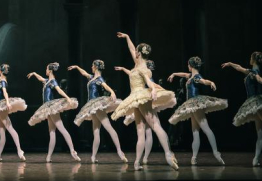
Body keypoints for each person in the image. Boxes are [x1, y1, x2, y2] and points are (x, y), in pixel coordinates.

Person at [111, 32, 178, 170]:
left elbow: (149, 81)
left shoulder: (143, 67)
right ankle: (137, 162)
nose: (134, 52)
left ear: (139, 54)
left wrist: (153, 89)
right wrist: (127, 37)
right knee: (140, 131)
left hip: (140, 96)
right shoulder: (137, 64)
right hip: (135, 98)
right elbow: (131, 48)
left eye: (136, 51)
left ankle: (168, 155)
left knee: (155, 125)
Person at [168, 57, 227, 165]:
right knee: (195, 132)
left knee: (206, 128)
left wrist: (211, 83)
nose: (187, 67)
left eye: (188, 65)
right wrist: (174, 74)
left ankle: (216, 152)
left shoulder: (196, 77)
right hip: (191, 104)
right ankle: (194, 157)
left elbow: (203, 81)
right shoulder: (190, 76)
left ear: (191, 66)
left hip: (195, 103)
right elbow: (183, 74)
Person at [68, 60, 127, 164]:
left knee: (108, 128)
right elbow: (84, 73)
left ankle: (119, 151)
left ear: (95, 67)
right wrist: (77, 66)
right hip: (92, 106)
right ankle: (93, 157)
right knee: (96, 132)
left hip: (97, 105)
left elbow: (105, 85)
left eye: (92, 65)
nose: (91, 67)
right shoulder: (92, 78)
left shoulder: (99, 78)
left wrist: (112, 92)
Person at [27, 62, 80, 162]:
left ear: (50, 70)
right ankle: (49, 156)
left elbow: (59, 90)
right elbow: (40, 79)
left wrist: (68, 98)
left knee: (61, 129)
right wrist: (34, 73)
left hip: (51, 107)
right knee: (52, 132)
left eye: (47, 69)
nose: (45, 71)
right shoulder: (47, 81)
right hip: (47, 108)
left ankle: (73, 151)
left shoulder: (53, 81)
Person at [222, 51, 262, 166]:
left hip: (257, 102)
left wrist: (259, 78)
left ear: (254, 60)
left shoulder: (254, 72)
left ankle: (256, 159)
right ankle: (256, 159)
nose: (249, 59)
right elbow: (239, 68)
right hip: (254, 102)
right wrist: (230, 63)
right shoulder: (250, 71)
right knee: (260, 134)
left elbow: (259, 79)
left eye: (251, 57)